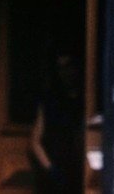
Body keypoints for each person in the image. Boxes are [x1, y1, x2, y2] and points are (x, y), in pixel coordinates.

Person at [30, 53, 83, 194]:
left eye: (68, 66)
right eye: (60, 68)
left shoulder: (87, 100)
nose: (65, 72)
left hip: (79, 170)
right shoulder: (50, 100)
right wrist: (51, 169)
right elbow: (35, 141)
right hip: (56, 171)